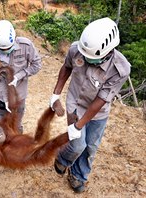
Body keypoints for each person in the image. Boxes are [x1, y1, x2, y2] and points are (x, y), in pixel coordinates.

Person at [49, 17, 131, 193]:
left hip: (98, 112)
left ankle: (78, 175)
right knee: (78, 145)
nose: (85, 59)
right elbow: (66, 67)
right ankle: (63, 159)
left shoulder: (120, 69)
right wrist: (55, 94)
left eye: (91, 57)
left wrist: (78, 125)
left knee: (91, 146)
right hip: (75, 103)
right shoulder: (77, 49)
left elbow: (101, 99)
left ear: (109, 51)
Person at [0, 20, 42, 133]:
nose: (6, 51)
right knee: (3, 127)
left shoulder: (26, 46)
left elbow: (37, 64)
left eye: (8, 48)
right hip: (0, 96)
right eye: (2, 49)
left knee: (17, 125)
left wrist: (19, 76)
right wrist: (6, 99)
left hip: (19, 94)